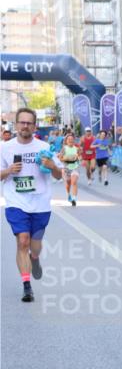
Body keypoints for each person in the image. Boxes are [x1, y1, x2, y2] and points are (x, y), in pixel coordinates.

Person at [1, 108, 64, 302]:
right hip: (16, 202)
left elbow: (59, 175)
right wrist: (9, 170)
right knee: (23, 240)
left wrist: (52, 166)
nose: (25, 126)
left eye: (29, 123)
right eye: (22, 122)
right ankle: (27, 286)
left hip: (40, 204)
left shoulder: (44, 147)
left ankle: (34, 259)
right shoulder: (5, 148)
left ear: (34, 126)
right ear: (16, 125)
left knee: (35, 247)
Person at [58, 132, 81, 206]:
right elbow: (60, 158)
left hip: (75, 167)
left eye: (72, 139)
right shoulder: (64, 148)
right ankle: (69, 194)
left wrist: (78, 158)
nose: (70, 140)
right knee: (68, 183)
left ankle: (74, 198)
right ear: (66, 141)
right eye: (69, 139)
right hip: (66, 168)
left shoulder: (77, 148)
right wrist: (66, 158)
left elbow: (79, 157)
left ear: (74, 140)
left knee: (74, 182)